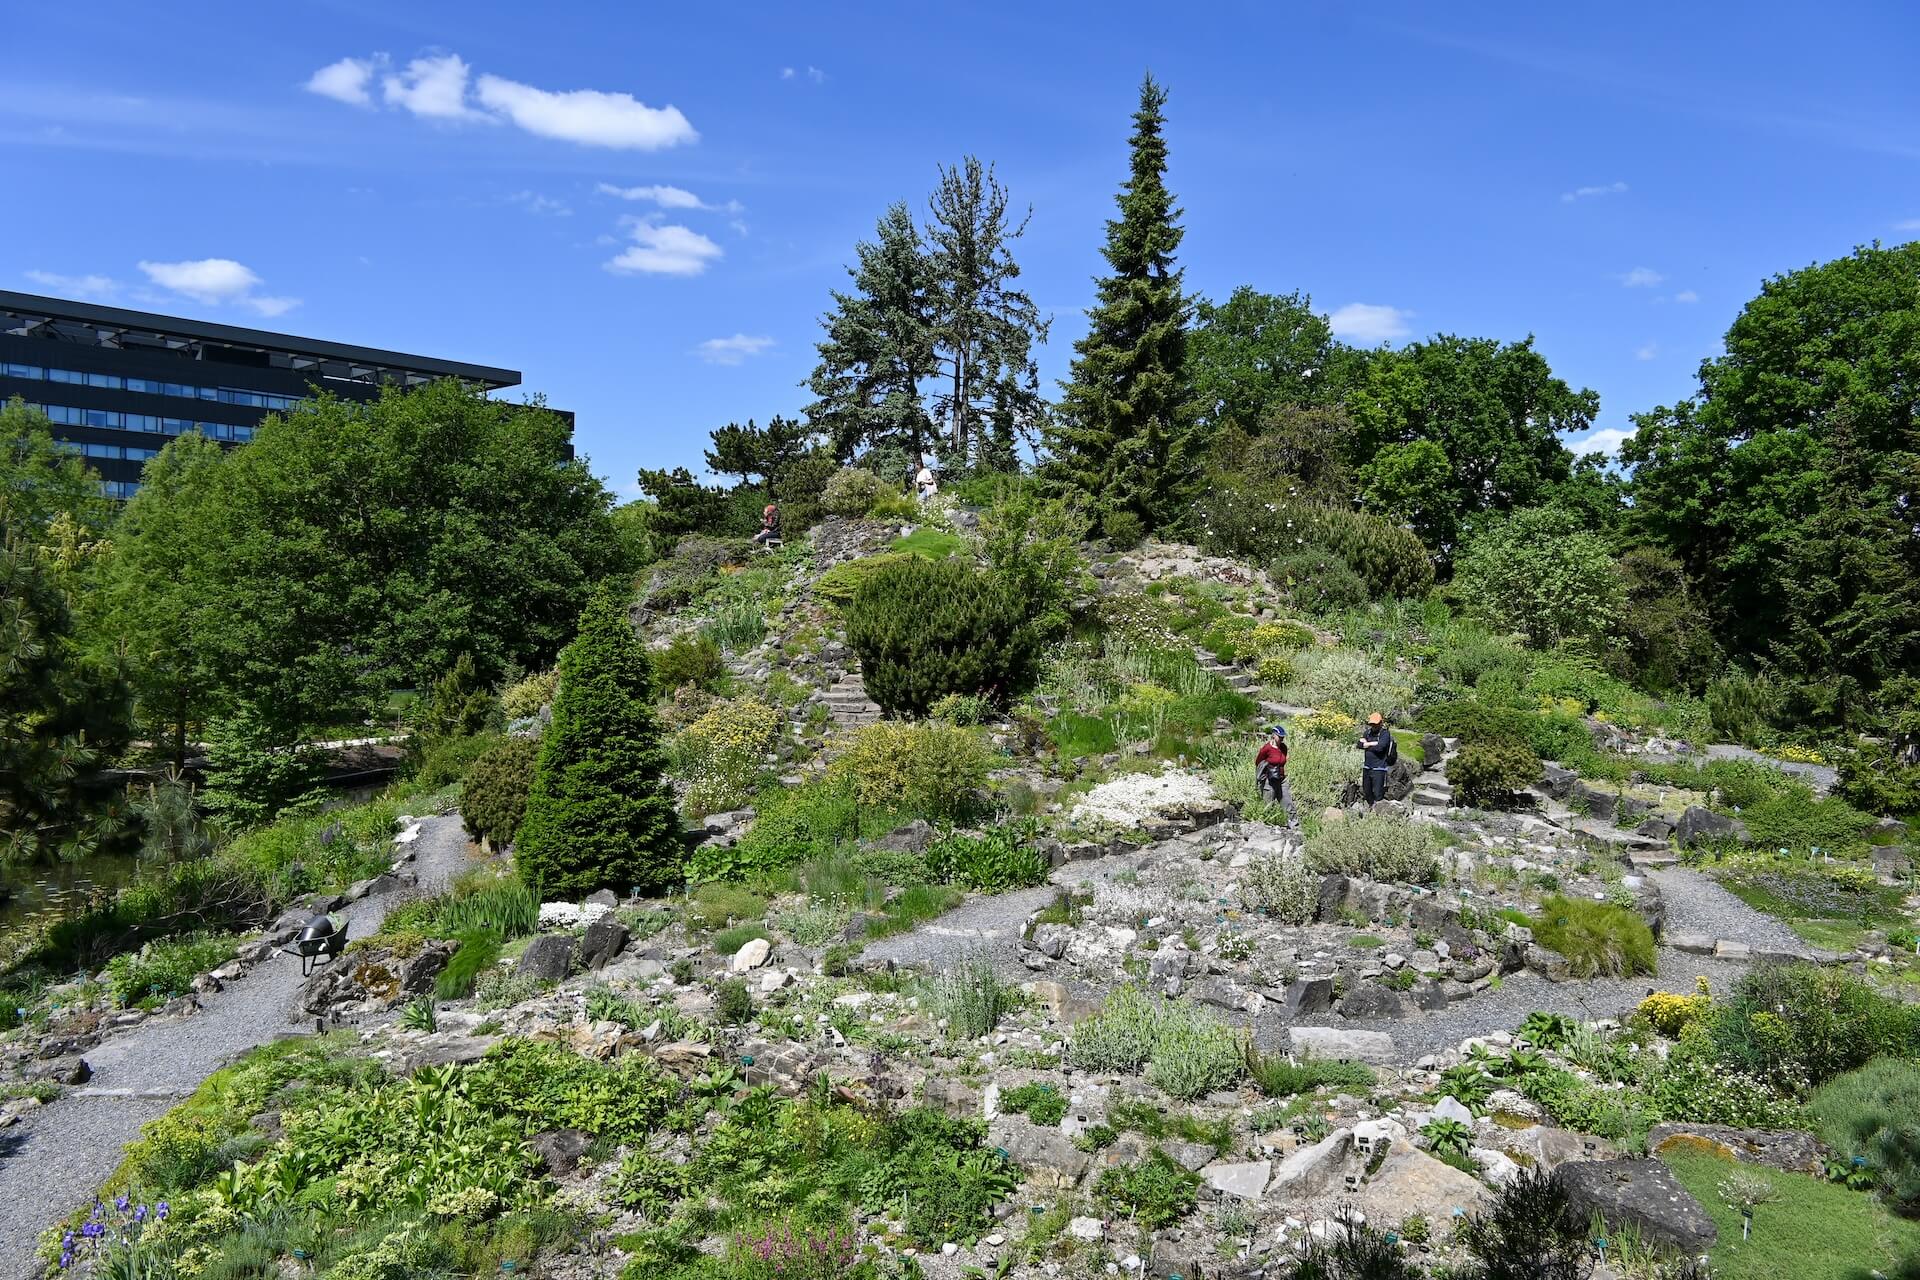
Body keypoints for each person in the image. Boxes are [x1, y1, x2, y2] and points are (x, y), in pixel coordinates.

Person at [1254, 724, 1298, 827]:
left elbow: (1284, 760)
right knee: (1268, 804)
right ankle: (1267, 826)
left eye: (1283, 736)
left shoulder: (1283, 747)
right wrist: (1263, 776)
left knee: (1287, 802)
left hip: (1281, 779)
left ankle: (1294, 824)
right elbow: (1258, 762)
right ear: (1274, 735)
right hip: (1269, 781)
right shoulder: (1266, 749)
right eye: (1280, 736)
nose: (1282, 738)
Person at [1358, 712, 1396, 804]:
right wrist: (1373, 743)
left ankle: (1378, 812)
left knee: (1378, 794)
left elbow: (1380, 748)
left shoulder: (1385, 734)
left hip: (1379, 768)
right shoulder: (1367, 733)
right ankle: (1371, 810)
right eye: (1371, 724)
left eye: (1375, 724)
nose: (1373, 725)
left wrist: (1367, 744)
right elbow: (1359, 744)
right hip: (1367, 767)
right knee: (1367, 792)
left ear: (1380, 723)